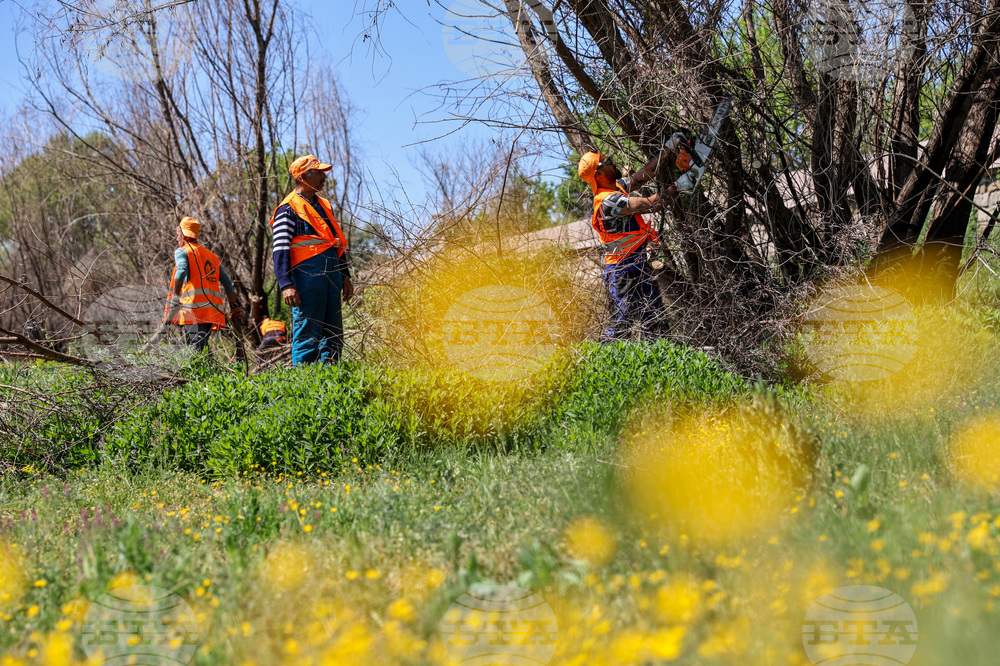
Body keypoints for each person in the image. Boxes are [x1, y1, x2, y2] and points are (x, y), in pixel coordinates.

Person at [578, 139, 690, 340]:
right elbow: (651, 204)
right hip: (622, 271)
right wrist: (681, 184)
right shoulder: (609, 201)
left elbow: (646, 173)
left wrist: (670, 147)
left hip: (637, 265)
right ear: (599, 174)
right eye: (608, 161)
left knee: (656, 321)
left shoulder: (616, 188)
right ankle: (604, 363)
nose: (613, 161)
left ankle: (661, 363)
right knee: (621, 328)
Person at [270, 154, 354, 364]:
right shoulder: (287, 208)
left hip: (332, 276)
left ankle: (331, 380)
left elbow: (334, 241)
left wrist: (345, 275)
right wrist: (286, 284)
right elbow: (280, 248)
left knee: (333, 332)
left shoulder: (324, 205)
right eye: (319, 173)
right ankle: (306, 385)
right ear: (304, 176)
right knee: (307, 333)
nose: (324, 177)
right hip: (306, 278)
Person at [164, 216, 242, 351]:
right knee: (201, 347)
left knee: (196, 350)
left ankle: (208, 371)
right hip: (210, 311)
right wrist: (234, 306)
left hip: (192, 310)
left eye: (178, 235)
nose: (177, 239)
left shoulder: (183, 251)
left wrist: (175, 298)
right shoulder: (211, 256)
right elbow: (227, 282)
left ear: (183, 235)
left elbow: (181, 270)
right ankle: (211, 371)